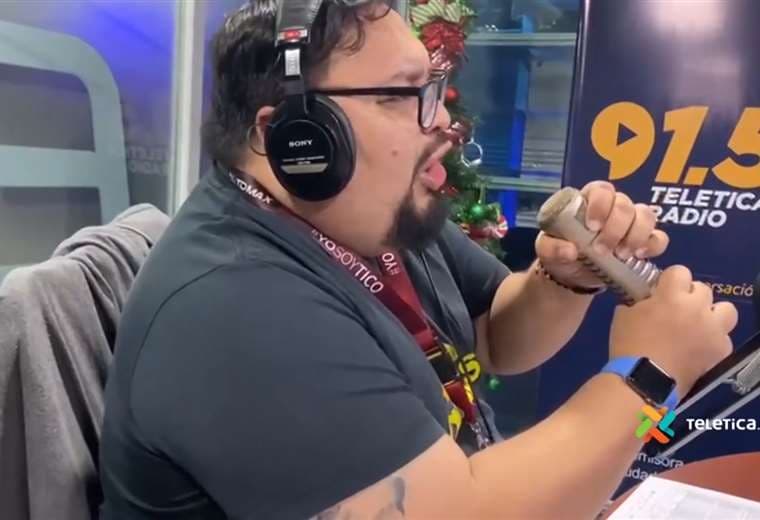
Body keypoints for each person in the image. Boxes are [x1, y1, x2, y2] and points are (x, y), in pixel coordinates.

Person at [99, 1, 738, 518]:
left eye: (431, 88)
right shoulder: (234, 305)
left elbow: (496, 335)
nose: (444, 124)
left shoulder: (371, 216)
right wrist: (650, 374)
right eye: (401, 95)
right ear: (293, 138)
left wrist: (561, 279)